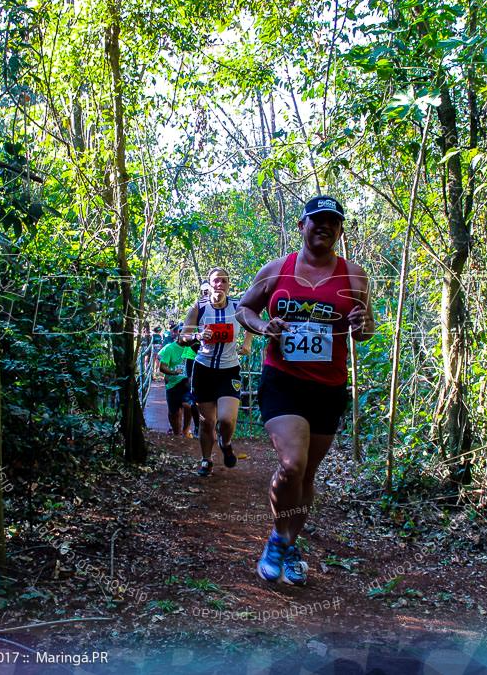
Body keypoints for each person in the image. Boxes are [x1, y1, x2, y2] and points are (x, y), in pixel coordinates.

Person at [236, 195, 374, 586]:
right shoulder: (276, 270)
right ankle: (278, 539)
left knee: (307, 475)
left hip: (329, 387)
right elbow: (245, 309)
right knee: (291, 464)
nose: (324, 227)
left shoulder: (354, 276)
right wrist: (264, 328)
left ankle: (292, 543)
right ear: (302, 225)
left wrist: (362, 321)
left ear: (340, 230)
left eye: (333, 222)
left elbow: (365, 331)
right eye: (317, 221)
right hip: (283, 380)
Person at [180, 268, 253, 476]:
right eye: (215, 281)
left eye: (224, 281)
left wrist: (247, 343)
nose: (219, 284)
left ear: (229, 285)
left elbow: (252, 322)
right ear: (209, 284)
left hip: (229, 369)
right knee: (207, 422)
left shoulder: (238, 306)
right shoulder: (199, 307)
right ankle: (206, 460)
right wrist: (199, 335)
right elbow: (183, 336)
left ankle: (225, 442)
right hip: (203, 369)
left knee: (227, 419)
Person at [157, 325, 194, 437]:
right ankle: (177, 434)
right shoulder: (169, 348)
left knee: (188, 405)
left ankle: (185, 430)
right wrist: (172, 372)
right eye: (185, 332)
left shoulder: (191, 348)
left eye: (190, 333)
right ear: (178, 333)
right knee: (174, 413)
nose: (187, 336)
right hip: (172, 384)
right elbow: (162, 366)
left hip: (186, 384)